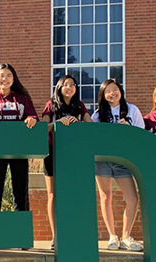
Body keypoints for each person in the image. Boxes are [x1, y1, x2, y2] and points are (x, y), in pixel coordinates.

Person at [91, 79, 144, 251]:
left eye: (115, 89)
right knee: (105, 197)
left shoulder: (132, 109)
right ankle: (112, 236)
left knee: (132, 199)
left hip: (123, 160)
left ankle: (126, 236)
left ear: (120, 91)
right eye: (108, 91)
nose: (112, 93)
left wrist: (128, 128)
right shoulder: (98, 114)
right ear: (103, 95)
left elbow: (141, 133)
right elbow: (93, 137)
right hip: (103, 160)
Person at [40, 74, 92, 250]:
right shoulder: (51, 105)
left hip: (73, 154)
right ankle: (56, 235)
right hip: (52, 151)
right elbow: (42, 128)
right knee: (53, 194)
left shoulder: (80, 106)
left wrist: (78, 124)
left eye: (72, 85)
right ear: (59, 88)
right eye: (65, 85)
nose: (69, 87)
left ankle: (74, 233)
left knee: (74, 193)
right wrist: (58, 124)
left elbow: (91, 126)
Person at [0, 63, 38, 215]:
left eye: (9, 75)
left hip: (19, 149)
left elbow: (33, 116)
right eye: (2, 75)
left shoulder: (23, 99)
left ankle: (20, 230)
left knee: (20, 190)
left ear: (14, 78)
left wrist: (32, 119)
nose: (5, 78)